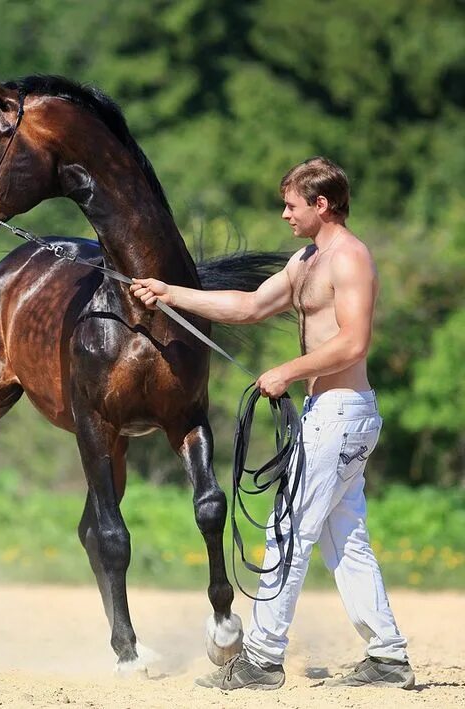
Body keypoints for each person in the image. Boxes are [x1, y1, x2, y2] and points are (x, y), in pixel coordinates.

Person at [130, 156, 414, 691]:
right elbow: (248, 305)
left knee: (288, 529)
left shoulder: (349, 259)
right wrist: (169, 294)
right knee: (345, 539)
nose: (284, 213)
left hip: (342, 413)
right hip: (329, 414)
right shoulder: (307, 259)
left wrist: (289, 369)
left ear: (321, 204)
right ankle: (388, 655)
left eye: (291, 204)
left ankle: (260, 659)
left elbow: (354, 342)